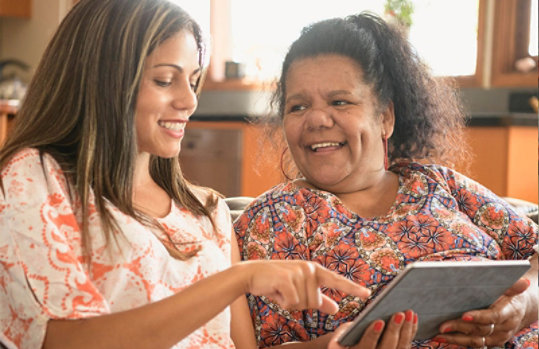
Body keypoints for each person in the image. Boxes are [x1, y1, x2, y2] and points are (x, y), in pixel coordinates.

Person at [0, 1, 380, 348]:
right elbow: (61, 343)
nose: (190, 100)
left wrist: (339, 345)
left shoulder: (207, 212)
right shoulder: (34, 178)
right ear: (103, 79)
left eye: (193, 80)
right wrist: (238, 278)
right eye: (165, 80)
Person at [234, 12, 538, 349]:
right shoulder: (275, 218)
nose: (317, 119)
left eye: (339, 101)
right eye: (298, 106)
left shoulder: (437, 183)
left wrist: (524, 305)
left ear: (385, 118)